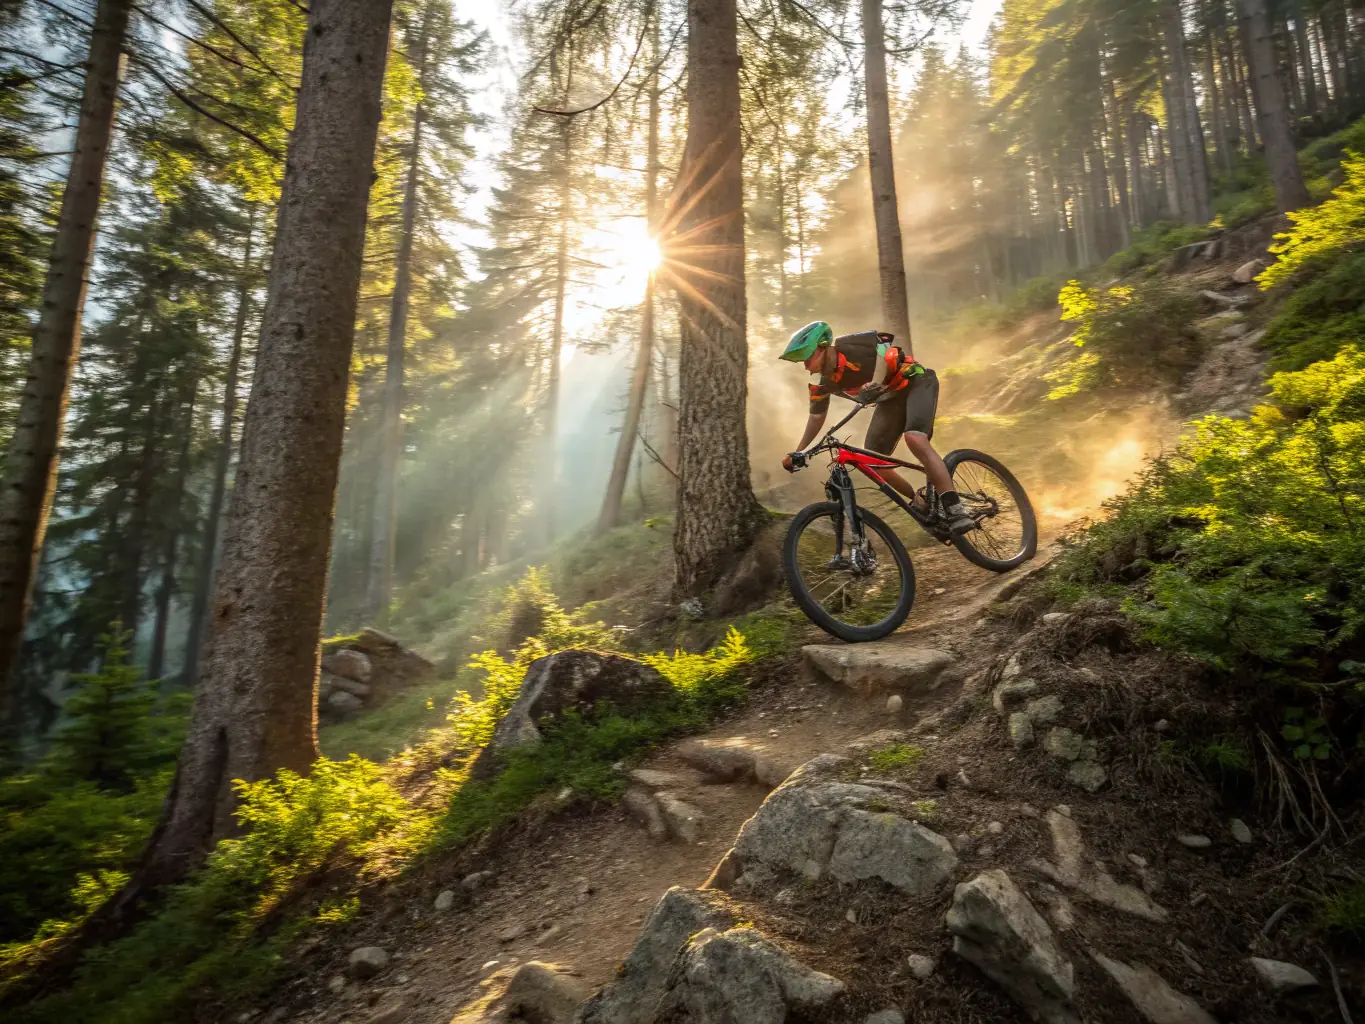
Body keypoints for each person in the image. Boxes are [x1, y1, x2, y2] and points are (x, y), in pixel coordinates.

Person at [778, 320, 976, 537]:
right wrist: (799, 451)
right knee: (872, 460)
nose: (805, 365)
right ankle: (920, 503)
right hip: (890, 401)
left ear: (823, 346)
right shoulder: (823, 385)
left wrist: (876, 381)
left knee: (915, 439)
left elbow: (886, 347)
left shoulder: (851, 344)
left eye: (808, 357)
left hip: (917, 383)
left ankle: (956, 508)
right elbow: (816, 417)